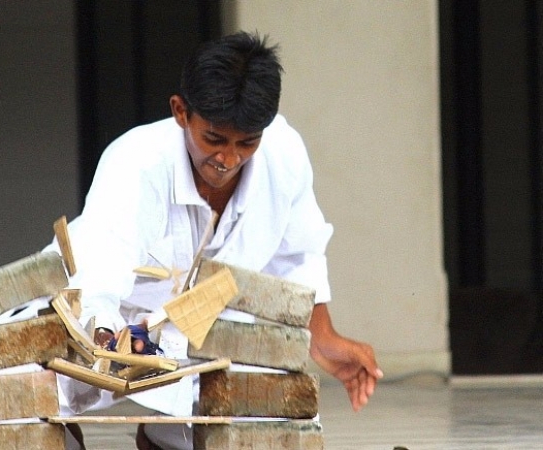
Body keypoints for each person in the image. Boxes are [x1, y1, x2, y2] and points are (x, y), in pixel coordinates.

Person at [44, 31, 382, 450]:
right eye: (215, 140)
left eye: (247, 143)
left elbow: (298, 255)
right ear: (181, 112)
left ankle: (168, 436)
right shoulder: (136, 160)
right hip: (101, 316)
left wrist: (324, 337)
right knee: (19, 396)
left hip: (202, 324)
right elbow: (98, 270)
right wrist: (107, 339)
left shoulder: (285, 153)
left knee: (269, 414)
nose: (228, 159)